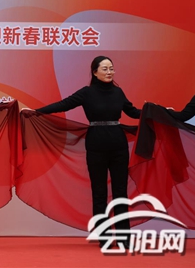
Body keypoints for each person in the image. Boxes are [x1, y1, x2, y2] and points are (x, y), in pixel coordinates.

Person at [32, 56, 140, 248]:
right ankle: (104, 236)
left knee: (120, 192)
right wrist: (36, 111)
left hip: (119, 145)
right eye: (105, 69)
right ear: (95, 72)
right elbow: (63, 104)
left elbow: (133, 112)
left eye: (111, 68)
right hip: (96, 145)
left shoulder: (118, 92)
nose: (109, 72)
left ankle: (124, 236)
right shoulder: (86, 93)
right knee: (99, 192)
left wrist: (156, 111)